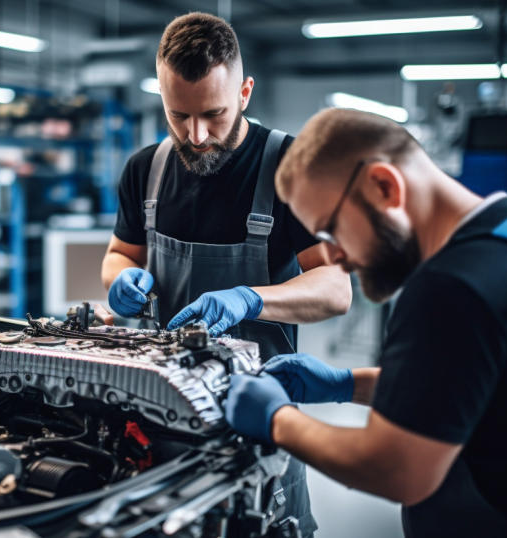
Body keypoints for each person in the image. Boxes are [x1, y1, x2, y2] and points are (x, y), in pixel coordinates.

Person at [223, 108, 507, 537]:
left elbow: (397, 469)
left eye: (331, 232)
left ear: (384, 186)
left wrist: (277, 418)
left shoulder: (454, 284)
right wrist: (343, 384)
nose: (334, 257)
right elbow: (482, 385)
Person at [100, 13, 351, 536]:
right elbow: (118, 254)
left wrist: (250, 299)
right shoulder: (144, 170)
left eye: (212, 114)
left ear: (245, 92)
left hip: (257, 414)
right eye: (178, 115)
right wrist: (121, 279)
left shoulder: (290, 168)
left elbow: (335, 289)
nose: (196, 135)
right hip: (159, 410)